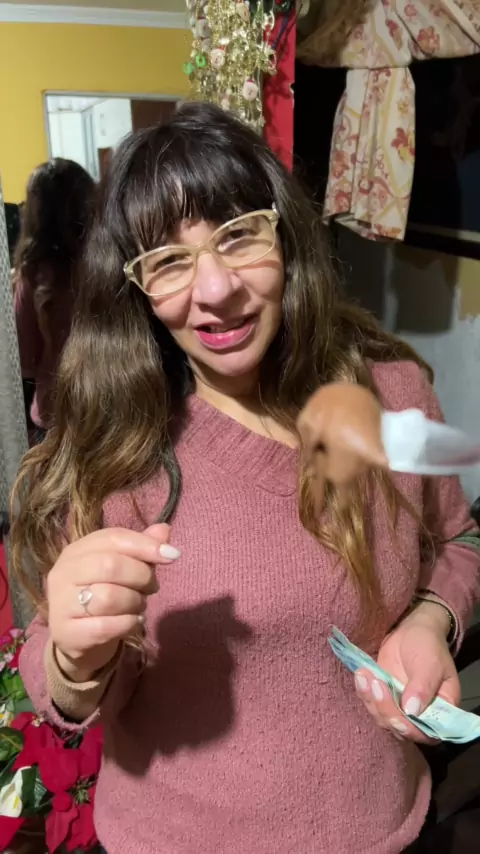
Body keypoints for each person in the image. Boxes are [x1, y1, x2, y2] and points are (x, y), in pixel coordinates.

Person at [10, 102, 480, 854]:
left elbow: (459, 538)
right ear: (135, 289)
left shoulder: (395, 394)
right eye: (168, 261)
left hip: (385, 826)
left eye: (237, 234)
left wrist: (430, 618)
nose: (216, 288)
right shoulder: (120, 450)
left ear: (284, 235)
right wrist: (73, 655)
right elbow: (62, 683)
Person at [13, 158, 96, 442]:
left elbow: (23, 356)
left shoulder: (34, 272)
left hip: (55, 411)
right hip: (114, 400)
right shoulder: (111, 260)